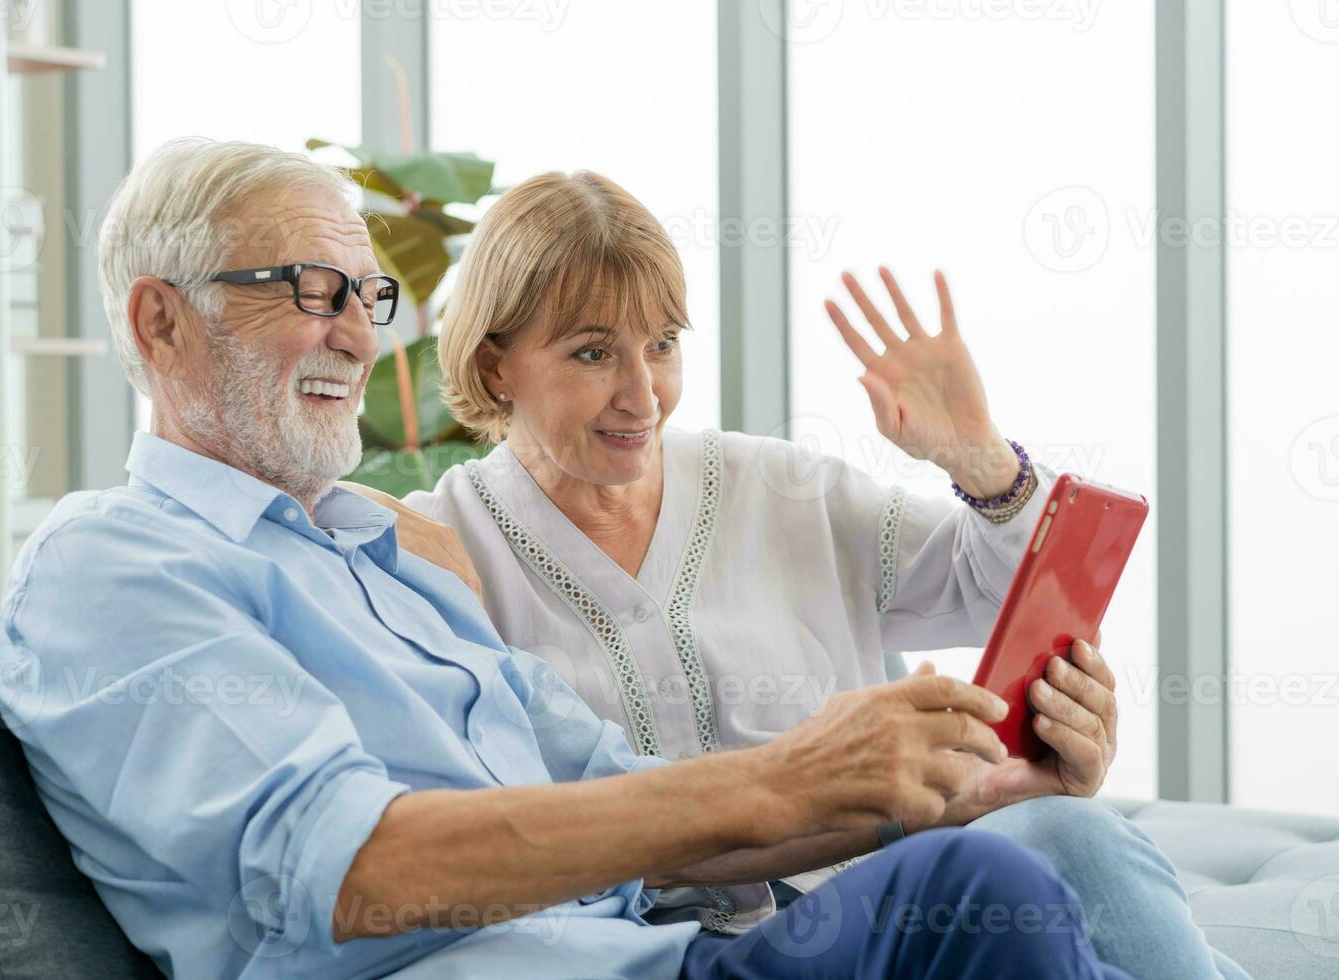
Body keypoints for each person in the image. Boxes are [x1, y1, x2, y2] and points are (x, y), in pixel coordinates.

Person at [0, 139, 1132, 980]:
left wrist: (940, 792)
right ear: (159, 324)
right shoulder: (118, 565)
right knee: (988, 891)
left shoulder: (389, 559)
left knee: (1017, 857)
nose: (355, 330)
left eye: (368, 295)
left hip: (645, 953)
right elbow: (346, 869)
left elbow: (613, 793)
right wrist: (784, 771)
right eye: (309, 290)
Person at [404, 170, 1245, 979]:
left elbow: (991, 591)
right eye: (593, 354)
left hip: (878, 908)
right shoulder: (439, 555)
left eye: (662, 346)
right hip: (653, 951)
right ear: (492, 368)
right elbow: (511, 847)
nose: (643, 395)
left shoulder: (777, 488)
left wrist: (977, 456)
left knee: (1069, 835)